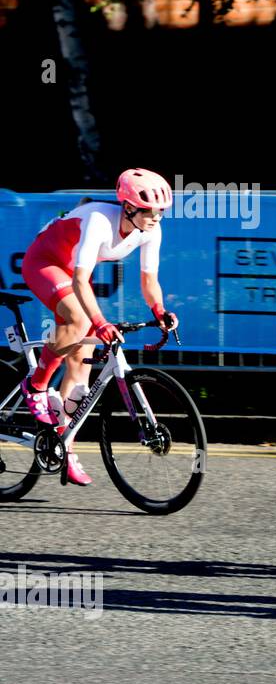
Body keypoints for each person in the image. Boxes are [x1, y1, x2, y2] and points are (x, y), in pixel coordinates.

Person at [20, 168, 179, 485]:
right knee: (80, 321)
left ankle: (64, 447)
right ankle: (35, 386)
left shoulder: (151, 231)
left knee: (82, 366)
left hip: (75, 271)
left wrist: (159, 309)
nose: (155, 217)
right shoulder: (98, 220)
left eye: (160, 212)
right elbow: (79, 280)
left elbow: (149, 281)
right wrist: (101, 321)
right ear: (129, 208)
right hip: (46, 262)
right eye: (148, 211)